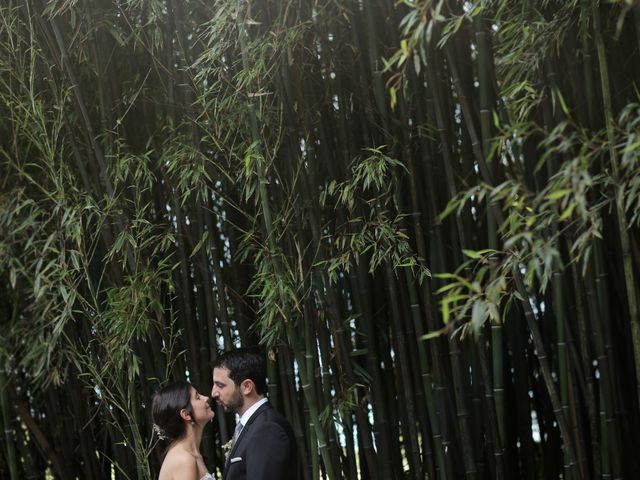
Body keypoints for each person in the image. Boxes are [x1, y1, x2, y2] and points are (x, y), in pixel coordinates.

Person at [211, 348, 297, 480]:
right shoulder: (253, 425)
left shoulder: (267, 429)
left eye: (220, 385)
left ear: (247, 386)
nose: (213, 393)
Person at [152, 381, 215, 480]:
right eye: (197, 397)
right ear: (186, 415)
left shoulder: (192, 454)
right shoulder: (184, 460)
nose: (206, 398)